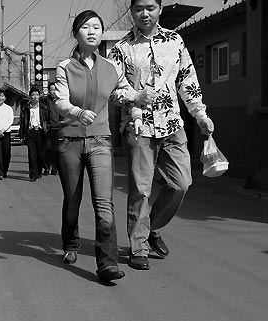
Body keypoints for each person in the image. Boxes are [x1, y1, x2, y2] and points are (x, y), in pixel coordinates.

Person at [108, 0, 214, 270]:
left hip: (172, 124)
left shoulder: (175, 41)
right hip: (139, 127)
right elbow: (112, 89)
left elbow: (187, 80)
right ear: (131, 11)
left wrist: (200, 115)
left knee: (181, 183)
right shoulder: (121, 49)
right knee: (140, 189)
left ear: (159, 10)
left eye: (151, 7)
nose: (145, 13)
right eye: (139, 8)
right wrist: (135, 95)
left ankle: (152, 227)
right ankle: (138, 246)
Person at [54, 10, 141, 283]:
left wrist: (136, 112)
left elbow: (124, 93)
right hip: (70, 140)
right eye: (85, 27)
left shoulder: (112, 67)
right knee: (73, 199)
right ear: (76, 33)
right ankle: (70, 244)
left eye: (96, 27)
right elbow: (59, 101)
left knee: (104, 204)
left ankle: (107, 264)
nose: (92, 31)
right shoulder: (64, 66)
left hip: (101, 140)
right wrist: (78, 113)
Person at [19, 86, 49, 182]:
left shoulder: (43, 107)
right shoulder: (26, 108)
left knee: (40, 154)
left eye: (36, 95)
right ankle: (33, 174)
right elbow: (23, 122)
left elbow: (47, 120)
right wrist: (22, 135)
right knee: (32, 155)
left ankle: (39, 171)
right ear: (30, 96)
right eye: (33, 95)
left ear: (39, 96)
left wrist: (47, 130)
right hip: (30, 132)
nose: (35, 97)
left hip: (41, 132)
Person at [41, 82, 60, 176]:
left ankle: (55, 168)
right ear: (49, 91)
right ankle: (46, 167)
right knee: (46, 150)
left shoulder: (61, 101)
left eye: (55, 90)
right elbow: (42, 115)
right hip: (48, 129)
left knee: (56, 150)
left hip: (58, 129)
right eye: (52, 90)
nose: (54, 92)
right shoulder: (44, 101)